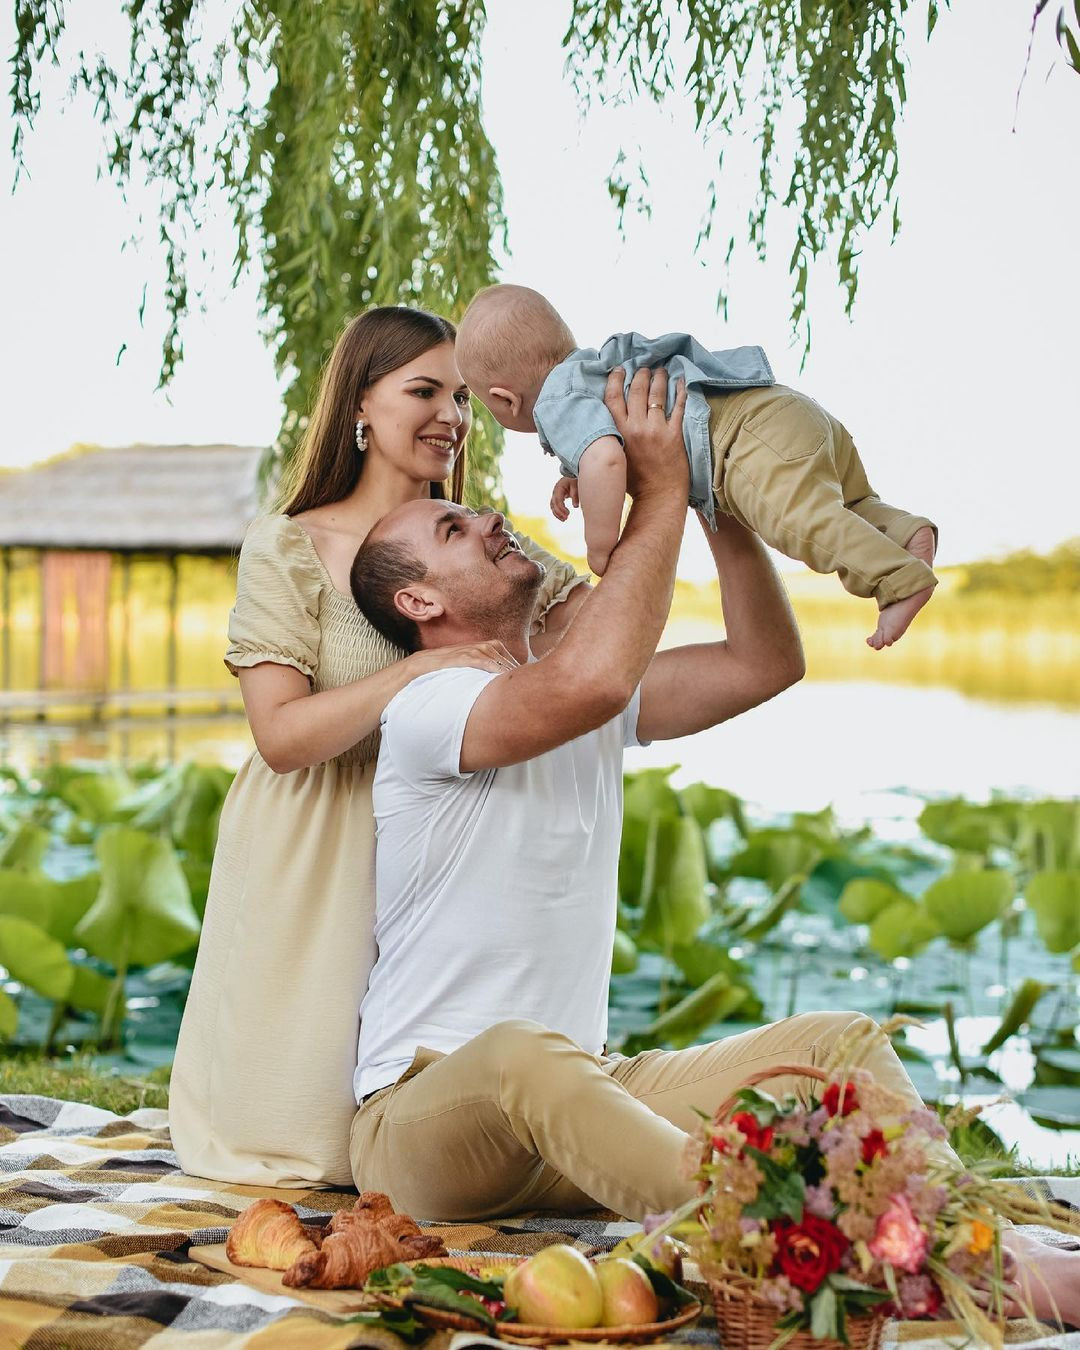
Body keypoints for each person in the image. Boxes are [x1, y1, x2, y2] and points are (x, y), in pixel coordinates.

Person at [348, 367, 1080, 1328]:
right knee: (525, 1054)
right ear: (418, 604)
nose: (487, 519)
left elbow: (764, 661)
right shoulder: (427, 708)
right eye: (452, 530)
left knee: (838, 1044)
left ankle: (979, 1241)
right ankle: (854, 1255)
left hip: (578, 1103)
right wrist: (653, 487)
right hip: (424, 1124)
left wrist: (707, 488)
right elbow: (592, 680)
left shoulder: (577, 694)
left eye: (473, 512)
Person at [169, 307, 590, 1188]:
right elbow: (281, 736)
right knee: (300, 1129)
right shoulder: (292, 543)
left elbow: (605, 633)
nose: (451, 416)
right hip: (319, 834)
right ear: (361, 403)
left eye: (463, 397)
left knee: (415, 1092)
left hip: (442, 839)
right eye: (424, 391)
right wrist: (410, 675)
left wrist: (609, 474)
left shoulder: (482, 544)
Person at [454, 283, 938, 650]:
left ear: (505, 399)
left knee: (803, 524)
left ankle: (898, 581)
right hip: (780, 410)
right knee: (847, 503)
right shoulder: (593, 371)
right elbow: (602, 450)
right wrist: (577, 474)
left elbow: (605, 456)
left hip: (742, 444)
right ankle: (904, 531)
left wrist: (600, 546)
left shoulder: (553, 402)